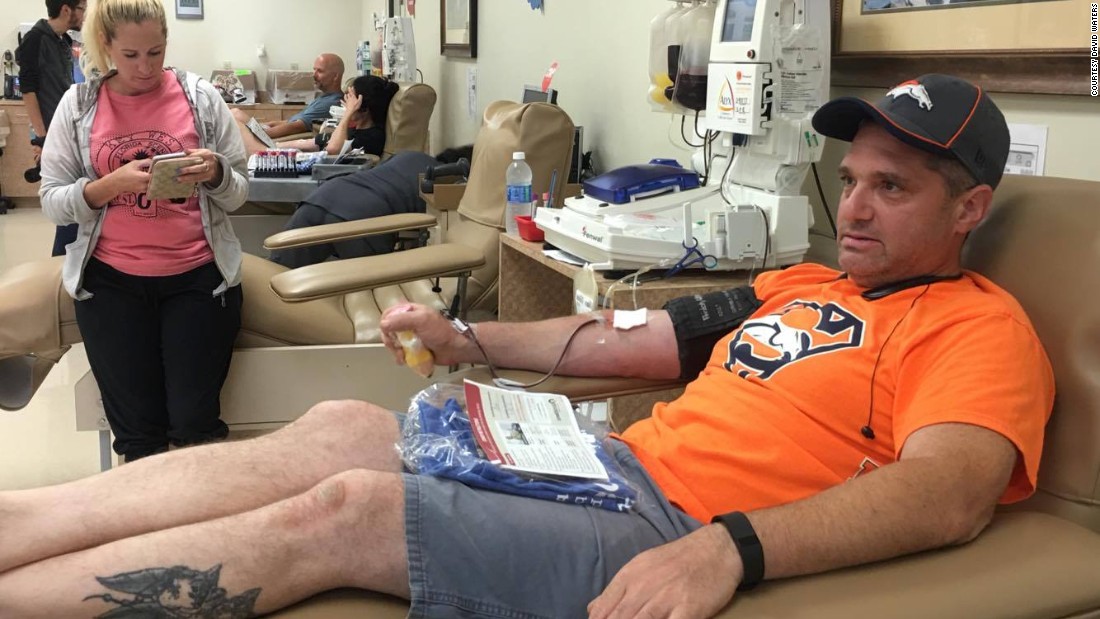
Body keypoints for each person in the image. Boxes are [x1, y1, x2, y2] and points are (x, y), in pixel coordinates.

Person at [0, 74, 1053, 618]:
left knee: (345, 510)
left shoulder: (977, 328)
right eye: (854, 177)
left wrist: (729, 545)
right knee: (344, 426)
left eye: (893, 187)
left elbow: (945, 494)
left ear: (967, 211)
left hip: (672, 526)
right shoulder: (805, 281)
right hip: (605, 464)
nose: (854, 208)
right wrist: (467, 336)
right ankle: (18, 522)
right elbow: (634, 342)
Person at [35, 0, 249, 462]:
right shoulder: (78, 105)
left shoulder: (201, 99)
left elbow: (237, 194)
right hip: (112, 285)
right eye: (130, 56)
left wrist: (215, 174)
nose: (145, 67)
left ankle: (196, 526)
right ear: (106, 46)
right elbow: (51, 201)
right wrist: (105, 187)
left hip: (198, 280)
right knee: (138, 438)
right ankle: (147, 527)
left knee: (194, 427)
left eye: (156, 51)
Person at [269, 149, 450, 268]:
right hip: (362, 217)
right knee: (365, 296)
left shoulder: (409, 154)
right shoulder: (445, 179)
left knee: (276, 274)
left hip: (322, 197)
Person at [16, 0, 87, 257]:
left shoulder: (64, 41)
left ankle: (68, 259)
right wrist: (42, 137)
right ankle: (63, 263)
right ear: (66, 9)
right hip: (52, 136)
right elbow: (28, 90)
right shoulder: (35, 39)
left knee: (74, 203)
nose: (84, 14)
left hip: (70, 131)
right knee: (67, 203)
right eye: (81, 8)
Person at [232, 53, 345, 153]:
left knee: (235, 116)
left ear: (335, 76)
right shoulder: (323, 98)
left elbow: (295, 127)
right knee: (235, 114)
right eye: (314, 70)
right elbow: (290, 121)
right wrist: (269, 125)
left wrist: (259, 134)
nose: (314, 75)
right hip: (268, 132)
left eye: (319, 71)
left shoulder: (331, 103)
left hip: (273, 139)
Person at [278, 75, 401, 158]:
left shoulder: (372, 137)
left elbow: (333, 149)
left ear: (363, 108)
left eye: (350, 99)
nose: (345, 102)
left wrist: (347, 114)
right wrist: (273, 147)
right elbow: (309, 142)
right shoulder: (353, 131)